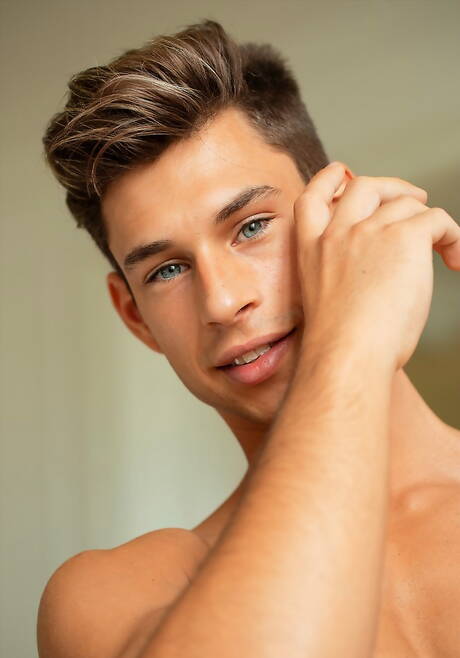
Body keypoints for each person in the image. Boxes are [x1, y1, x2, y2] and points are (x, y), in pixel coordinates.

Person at [37, 19, 460, 658]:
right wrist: (350, 349)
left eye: (251, 226)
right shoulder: (118, 594)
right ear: (135, 317)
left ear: (344, 211)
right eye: (167, 270)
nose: (223, 301)